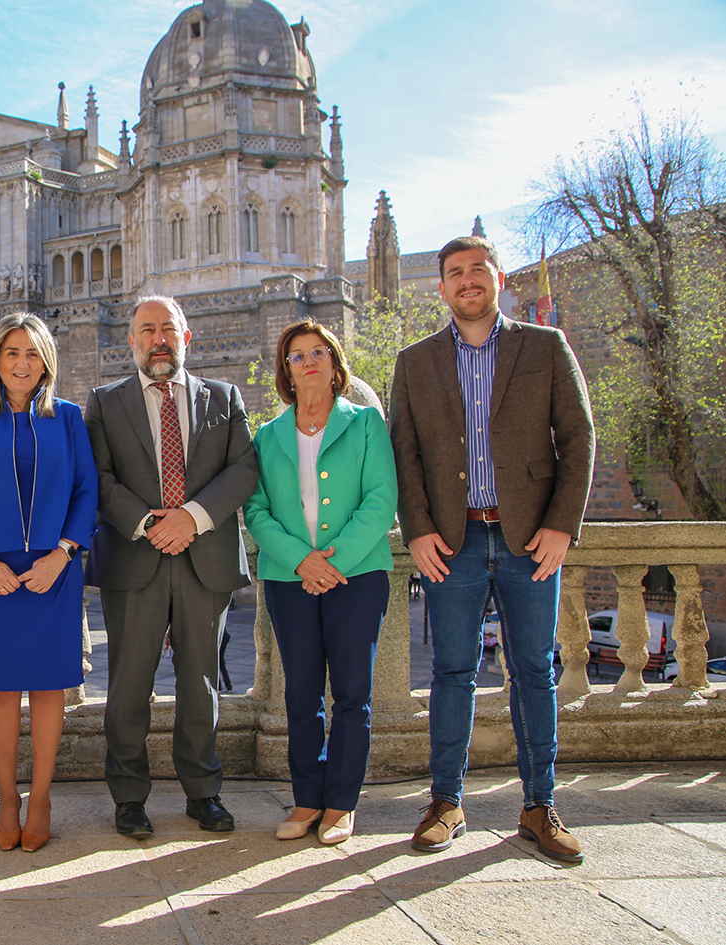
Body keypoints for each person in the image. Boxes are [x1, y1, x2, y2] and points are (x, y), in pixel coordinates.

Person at [390, 236, 594, 864]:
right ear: (443, 287)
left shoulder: (544, 346)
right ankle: (445, 802)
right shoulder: (415, 361)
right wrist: (418, 529)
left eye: (477, 270)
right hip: (452, 541)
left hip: (530, 537)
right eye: (454, 273)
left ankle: (539, 807)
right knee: (453, 672)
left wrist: (562, 525)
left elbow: (579, 436)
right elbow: (406, 453)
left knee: (534, 671)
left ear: (498, 280)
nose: (466, 282)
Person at [85, 296, 258, 839]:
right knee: (128, 687)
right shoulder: (104, 402)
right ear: (131, 341)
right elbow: (99, 479)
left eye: (168, 329)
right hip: (135, 560)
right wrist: (148, 524)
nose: (158, 338)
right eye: (146, 330)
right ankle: (129, 798)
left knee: (200, 684)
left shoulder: (224, 397)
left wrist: (192, 518)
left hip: (203, 559)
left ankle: (203, 793)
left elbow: (245, 468)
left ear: (187, 338)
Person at [0, 313, 98, 853]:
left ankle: (40, 799)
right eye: (11, 352)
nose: (21, 363)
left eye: (32, 353)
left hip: (54, 569)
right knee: (4, 688)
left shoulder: (70, 418)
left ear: (46, 362)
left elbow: (86, 490)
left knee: (49, 686)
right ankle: (7, 797)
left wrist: (63, 554)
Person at [243, 320, 397, 845]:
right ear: (285, 370)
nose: (308, 361)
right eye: (296, 355)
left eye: (318, 352)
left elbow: (381, 500)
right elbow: (257, 511)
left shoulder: (367, 423)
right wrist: (301, 561)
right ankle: (307, 797)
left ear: (334, 363)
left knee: (353, 694)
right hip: (290, 580)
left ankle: (341, 804)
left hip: (358, 576)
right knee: (301, 694)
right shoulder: (268, 435)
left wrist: (333, 563)